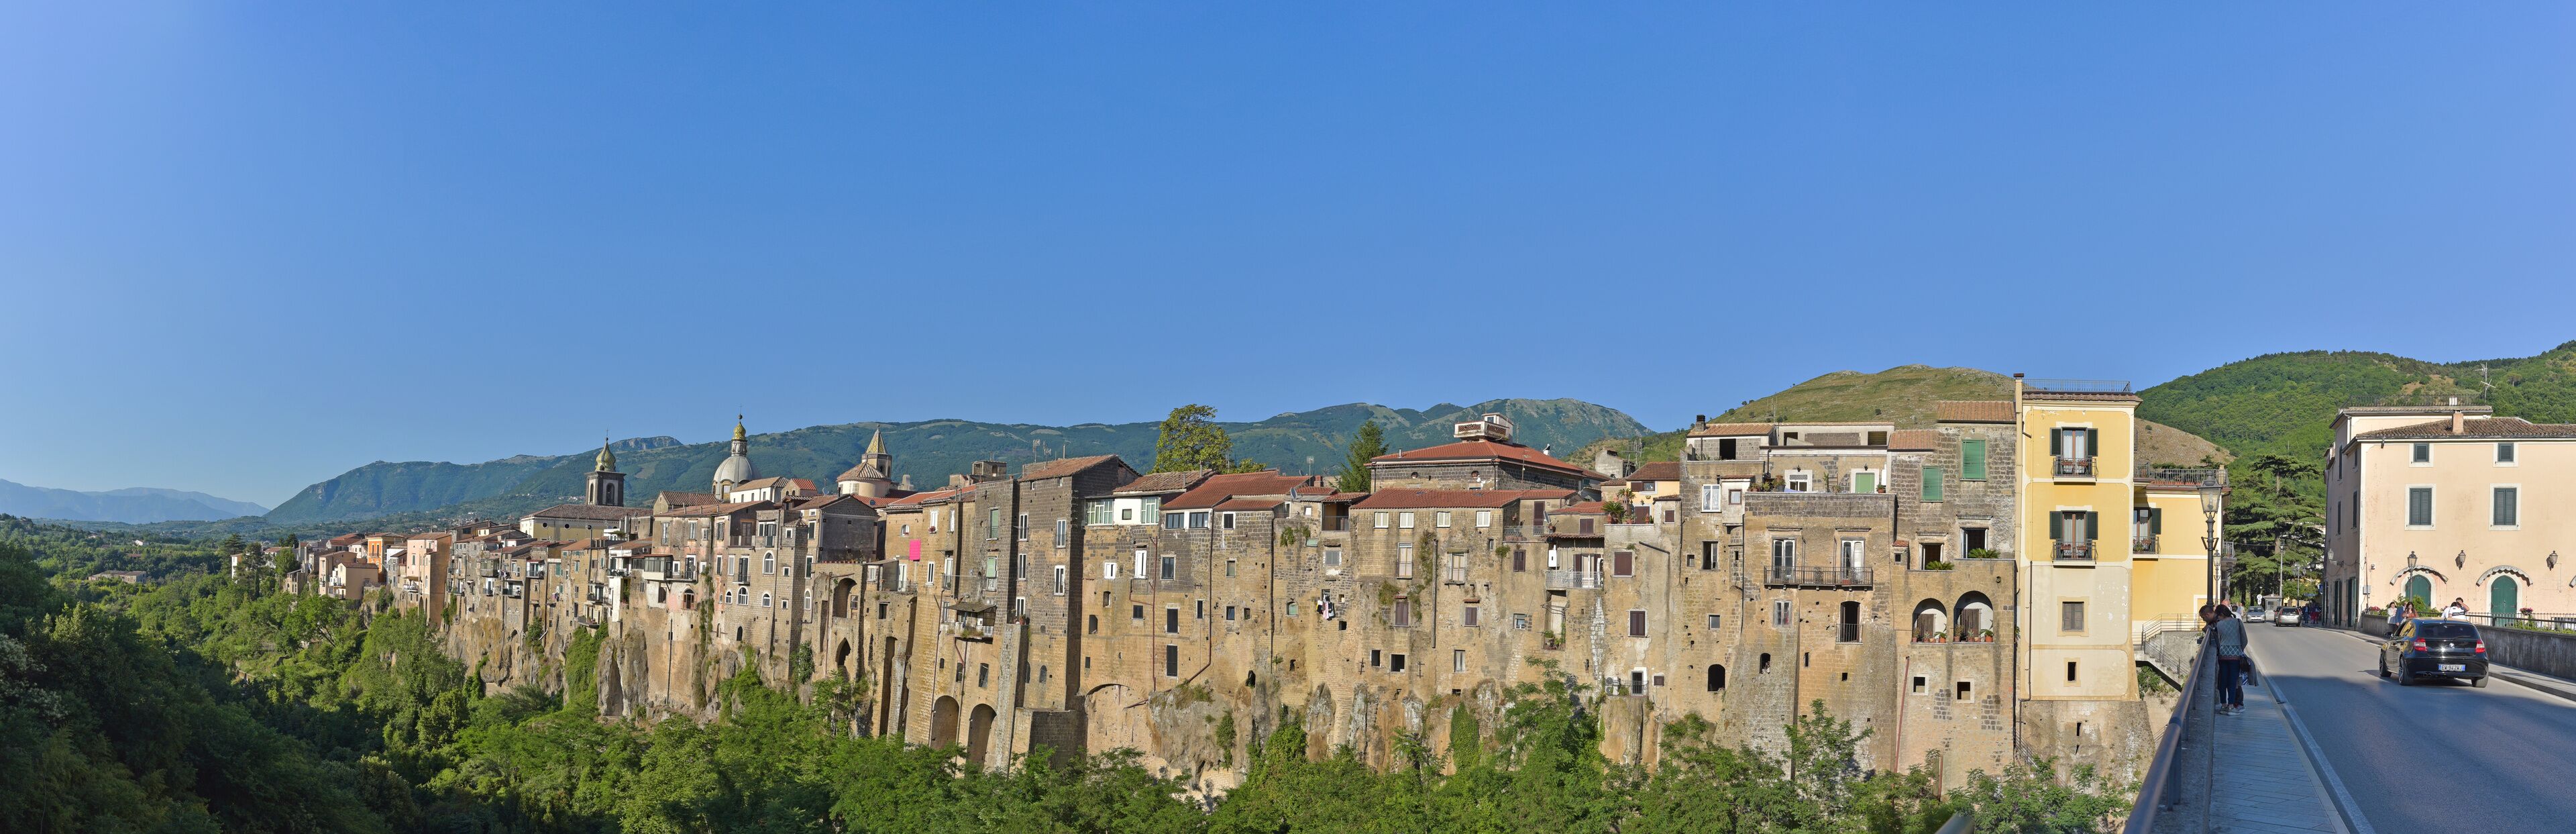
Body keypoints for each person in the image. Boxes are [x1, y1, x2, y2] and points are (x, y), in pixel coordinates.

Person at [2206, 603, 2249, 715]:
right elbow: (2245, 639)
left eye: (2218, 616)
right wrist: (2240, 649)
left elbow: (2218, 639)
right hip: (2235, 656)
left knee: (2223, 680)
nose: (2217, 618)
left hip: (2223, 656)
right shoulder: (2238, 623)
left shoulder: (2219, 625)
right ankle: (2231, 707)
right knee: (2233, 681)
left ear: (2221, 614)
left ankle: (2223, 706)